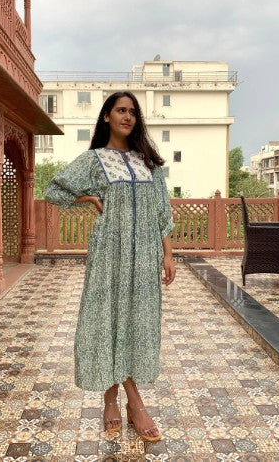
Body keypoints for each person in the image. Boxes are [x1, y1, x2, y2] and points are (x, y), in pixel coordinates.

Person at [45, 91, 176, 442]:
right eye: (121, 110)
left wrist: (167, 253)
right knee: (107, 323)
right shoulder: (94, 160)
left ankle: (116, 401)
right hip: (108, 257)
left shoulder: (149, 162)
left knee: (135, 322)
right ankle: (128, 402)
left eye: (133, 112)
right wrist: (88, 198)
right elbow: (54, 191)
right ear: (106, 116)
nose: (128, 117)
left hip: (144, 256)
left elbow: (163, 213)